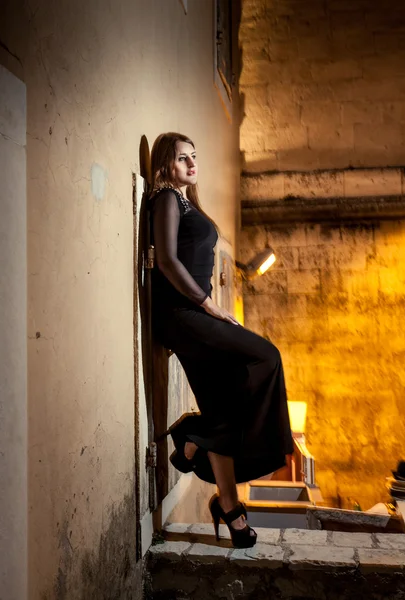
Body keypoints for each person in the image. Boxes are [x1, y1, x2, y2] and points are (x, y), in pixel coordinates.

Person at [148, 132, 293, 548]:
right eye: (182, 158)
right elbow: (169, 262)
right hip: (183, 314)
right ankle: (192, 436)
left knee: (222, 406)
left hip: (192, 314)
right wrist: (208, 304)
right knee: (266, 355)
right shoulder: (166, 199)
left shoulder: (189, 201)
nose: (192, 164)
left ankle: (228, 505)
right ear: (165, 166)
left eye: (195, 156)